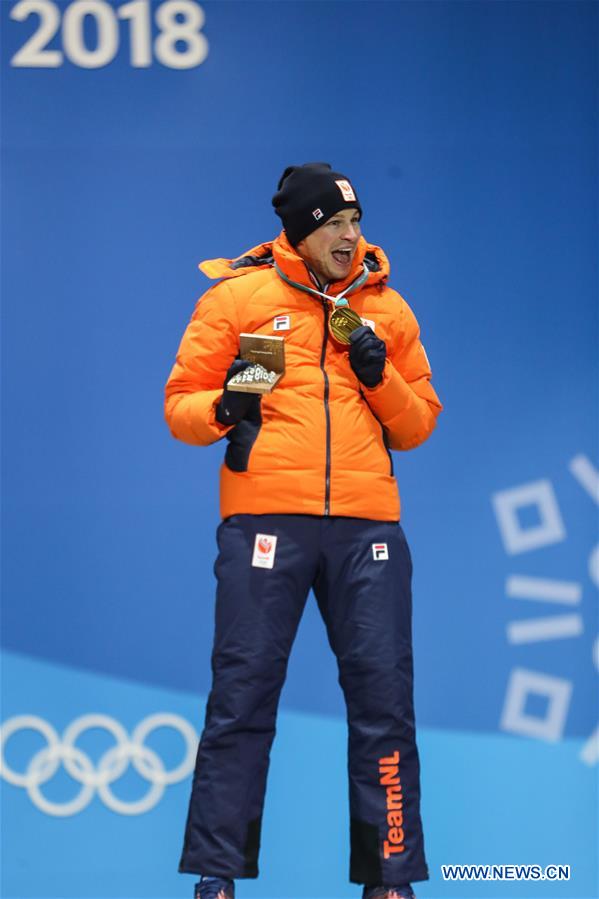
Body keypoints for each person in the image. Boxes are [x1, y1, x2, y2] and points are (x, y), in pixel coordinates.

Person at [164, 163, 443, 899]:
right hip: (266, 519)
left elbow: (416, 426)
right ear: (300, 228)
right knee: (243, 697)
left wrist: (379, 375)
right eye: (333, 224)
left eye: (355, 221)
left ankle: (389, 880)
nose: (350, 236)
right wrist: (225, 409)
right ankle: (216, 878)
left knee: (385, 702)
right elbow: (181, 408)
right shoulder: (239, 299)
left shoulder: (387, 309)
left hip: (367, 528)